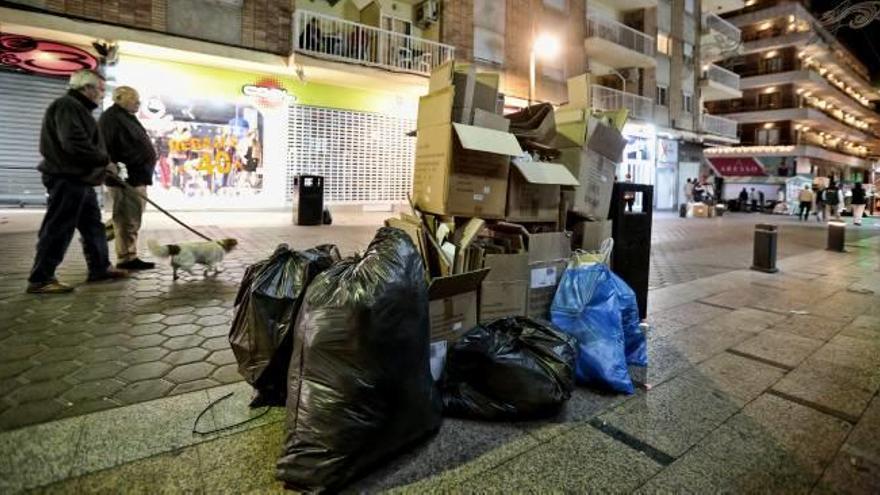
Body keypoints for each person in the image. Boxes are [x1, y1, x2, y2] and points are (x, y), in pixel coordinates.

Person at [27, 69, 128, 294]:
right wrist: (105, 161)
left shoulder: (78, 109)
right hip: (67, 178)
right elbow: (73, 143)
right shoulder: (67, 106)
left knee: (93, 227)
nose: (102, 94)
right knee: (59, 227)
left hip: (81, 180)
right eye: (100, 89)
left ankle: (100, 268)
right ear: (86, 88)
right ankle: (41, 278)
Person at [98, 86, 158, 270]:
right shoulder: (111, 118)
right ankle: (127, 258)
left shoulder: (126, 117)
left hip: (137, 176)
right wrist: (112, 167)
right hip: (126, 178)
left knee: (128, 217)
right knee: (128, 219)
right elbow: (103, 145)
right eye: (134, 98)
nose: (138, 102)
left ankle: (95, 236)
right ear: (119, 98)